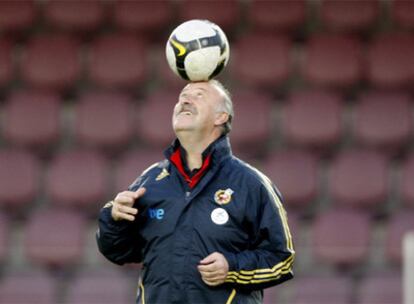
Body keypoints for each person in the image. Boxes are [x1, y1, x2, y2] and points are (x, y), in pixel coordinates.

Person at [96, 80, 295, 304]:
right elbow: (118, 251)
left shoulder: (252, 184)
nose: (184, 100)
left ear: (221, 117)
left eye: (199, 95)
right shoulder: (149, 180)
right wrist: (115, 220)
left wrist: (232, 268)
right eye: (182, 95)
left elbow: (282, 259)